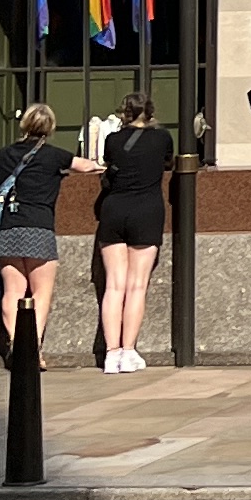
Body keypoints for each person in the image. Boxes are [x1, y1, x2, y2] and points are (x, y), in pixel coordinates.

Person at [93, 92, 173, 372]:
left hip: (113, 211)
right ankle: (128, 351)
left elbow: (108, 164)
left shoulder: (113, 140)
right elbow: (168, 163)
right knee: (137, 286)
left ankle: (111, 354)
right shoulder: (162, 138)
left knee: (113, 286)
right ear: (150, 112)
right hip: (147, 211)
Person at [0, 102, 72, 359]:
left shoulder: (3, 155)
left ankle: (16, 343)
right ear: (50, 127)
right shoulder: (55, 156)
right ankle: (32, 350)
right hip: (39, 228)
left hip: (7, 229)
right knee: (41, 293)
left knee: (12, 291)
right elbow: (85, 165)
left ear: (24, 124)